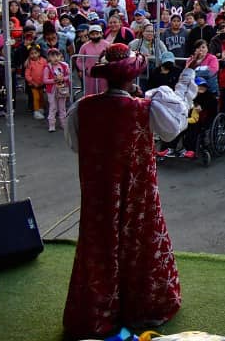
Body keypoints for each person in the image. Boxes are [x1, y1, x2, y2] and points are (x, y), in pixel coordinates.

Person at [62, 44, 196, 339]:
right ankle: (143, 306)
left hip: (99, 194)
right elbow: (174, 128)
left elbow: (75, 144)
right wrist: (186, 77)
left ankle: (98, 310)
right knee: (140, 241)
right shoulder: (144, 107)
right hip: (139, 194)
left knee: (100, 244)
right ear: (131, 78)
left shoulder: (83, 107)